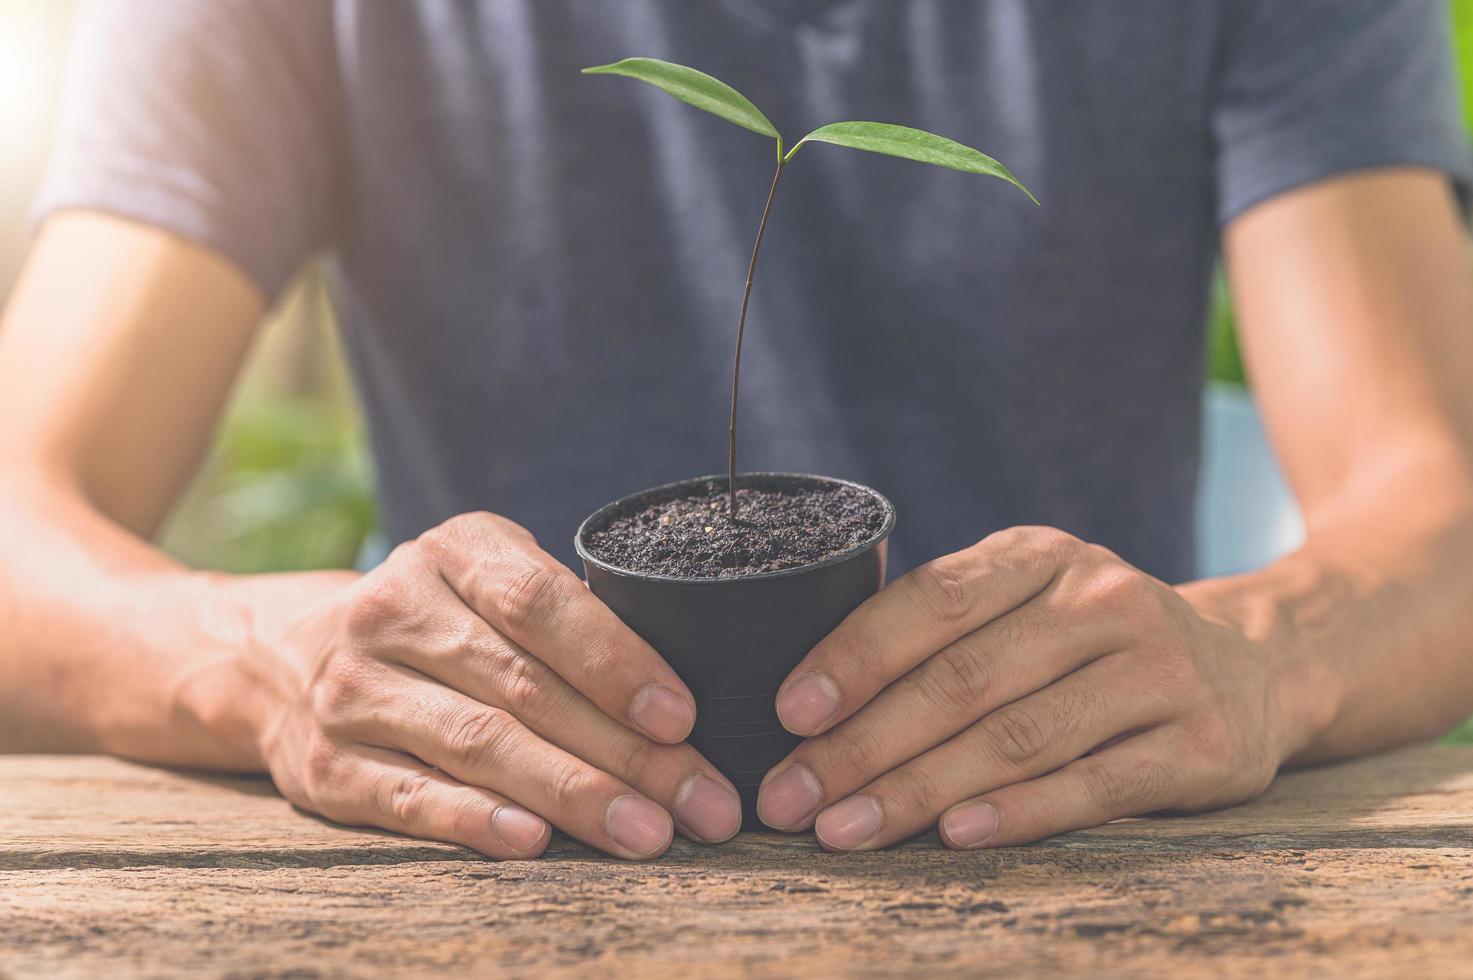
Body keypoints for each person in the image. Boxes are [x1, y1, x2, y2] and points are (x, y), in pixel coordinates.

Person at [3, 0, 1472, 861]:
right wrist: (267, 659)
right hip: (513, 879)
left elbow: (1437, 502)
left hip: (1060, 865)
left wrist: (1263, 656)